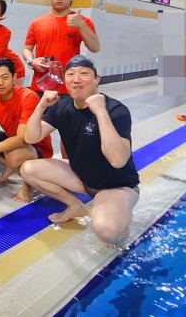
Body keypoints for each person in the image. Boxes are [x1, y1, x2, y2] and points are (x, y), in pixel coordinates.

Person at [22, 55, 138, 247]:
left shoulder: (116, 110)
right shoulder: (61, 105)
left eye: (84, 73)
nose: (76, 79)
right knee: (28, 169)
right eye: (70, 74)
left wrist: (100, 112)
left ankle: (120, 219)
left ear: (96, 79)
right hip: (81, 177)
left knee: (108, 232)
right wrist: (40, 106)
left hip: (115, 186)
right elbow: (31, 138)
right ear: (64, 79)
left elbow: (118, 160)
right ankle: (75, 206)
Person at [0, 58, 53, 202]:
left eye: (5, 77)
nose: (0, 83)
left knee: (13, 155)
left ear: (14, 77)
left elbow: (23, 139)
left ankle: (28, 185)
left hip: (37, 146)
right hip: (12, 139)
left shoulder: (28, 97)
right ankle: (10, 166)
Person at [23, 0, 99, 94]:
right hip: (40, 85)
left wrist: (81, 25)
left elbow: (95, 48)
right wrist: (31, 61)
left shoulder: (82, 21)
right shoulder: (37, 23)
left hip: (69, 86)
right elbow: (27, 49)